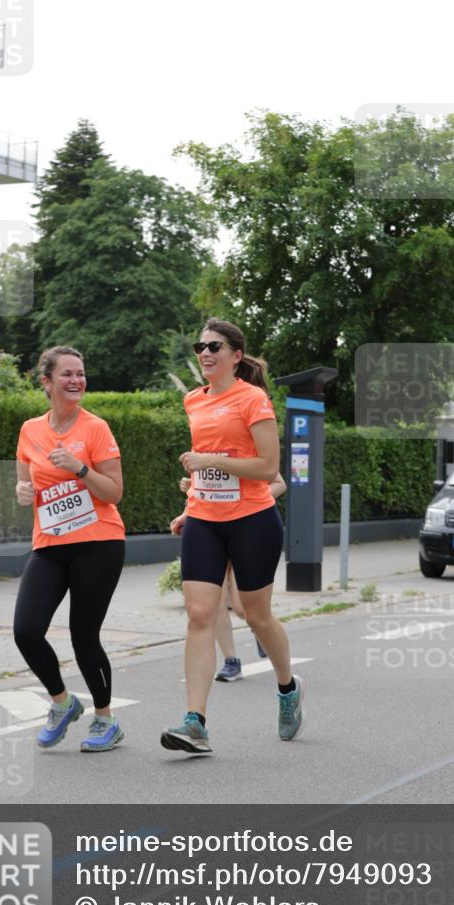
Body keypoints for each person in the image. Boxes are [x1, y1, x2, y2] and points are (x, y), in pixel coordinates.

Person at [162, 318, 304, 754]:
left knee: (257, 616)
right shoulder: (193, 401)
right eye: (200, 346)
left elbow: (266, 468)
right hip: (205, 518)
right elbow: (206, 469)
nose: (205, 353)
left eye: (215, 346)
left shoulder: (253, 398)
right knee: (200, 614)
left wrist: (211, 461)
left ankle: (287, 688)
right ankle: (195, 722)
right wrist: (192, 502)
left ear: (236, 356)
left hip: (252, 519)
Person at [13, 346, 126, 752]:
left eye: (81, 373)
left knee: (83, 635)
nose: (77, 380)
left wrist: (79, 468)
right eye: (67, 374)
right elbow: (25, 483)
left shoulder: (96, 428)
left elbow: (114, 492)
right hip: (50, 543)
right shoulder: (30, 430)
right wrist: (23, 491)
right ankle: (63, 702)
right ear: (46, 382)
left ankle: (105, 719)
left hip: (99, 542)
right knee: (25, 630)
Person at [178, 474, 287, 680]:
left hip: (243, 527)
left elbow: (279, 484)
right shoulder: (201, 450)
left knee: (242, 607)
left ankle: (260, 629)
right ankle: (231, 661)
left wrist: (244, 500)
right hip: (210, 528)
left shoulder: (248, 448)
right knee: (212, 604)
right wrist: (190, 486)